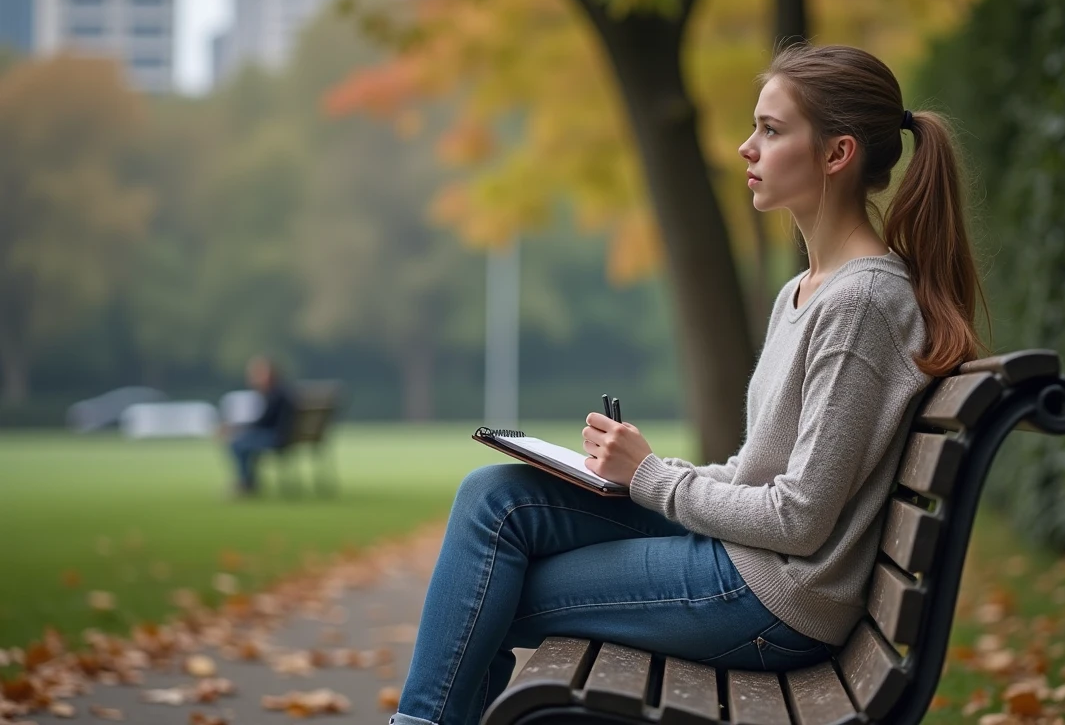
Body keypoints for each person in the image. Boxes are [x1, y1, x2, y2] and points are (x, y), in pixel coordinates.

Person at [387, 43, 990, 725]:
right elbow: (755, 472)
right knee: (494, 498)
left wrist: (652, 479)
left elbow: (799, 517)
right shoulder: (805, 290)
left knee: (488, 591)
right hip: (745, 564)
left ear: (836, 154)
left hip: (773, 597)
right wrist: (639, 468)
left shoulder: (860, 306)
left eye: (770, 129)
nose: (745, 148)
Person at [225, 355, 295, 496]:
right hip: (286, 437)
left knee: (237, 444)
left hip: (277, 438)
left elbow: (263, 422)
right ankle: (248, 481)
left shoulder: (275, 395)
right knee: (242, 442)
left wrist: (237, 427)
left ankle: (246, 483)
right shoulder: (282, 392)